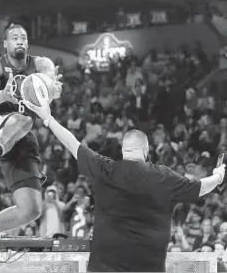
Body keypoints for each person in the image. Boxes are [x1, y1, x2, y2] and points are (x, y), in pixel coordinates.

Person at [24, 99, 226, 272]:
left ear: (122, 150)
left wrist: (48, 118)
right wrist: (218, 176)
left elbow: (73, 144)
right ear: (146, 150)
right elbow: (200, 187)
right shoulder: (164, 176)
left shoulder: (106, 169)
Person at [0, 24, 62, 252]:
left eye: (23, 38)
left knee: (31, 210)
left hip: (22, 137)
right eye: (14, 37)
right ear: (5, 44)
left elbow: (51, 89)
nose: (20, 41)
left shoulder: (42, 64)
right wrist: (5, 94)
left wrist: (55, 90)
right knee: (24, 119)